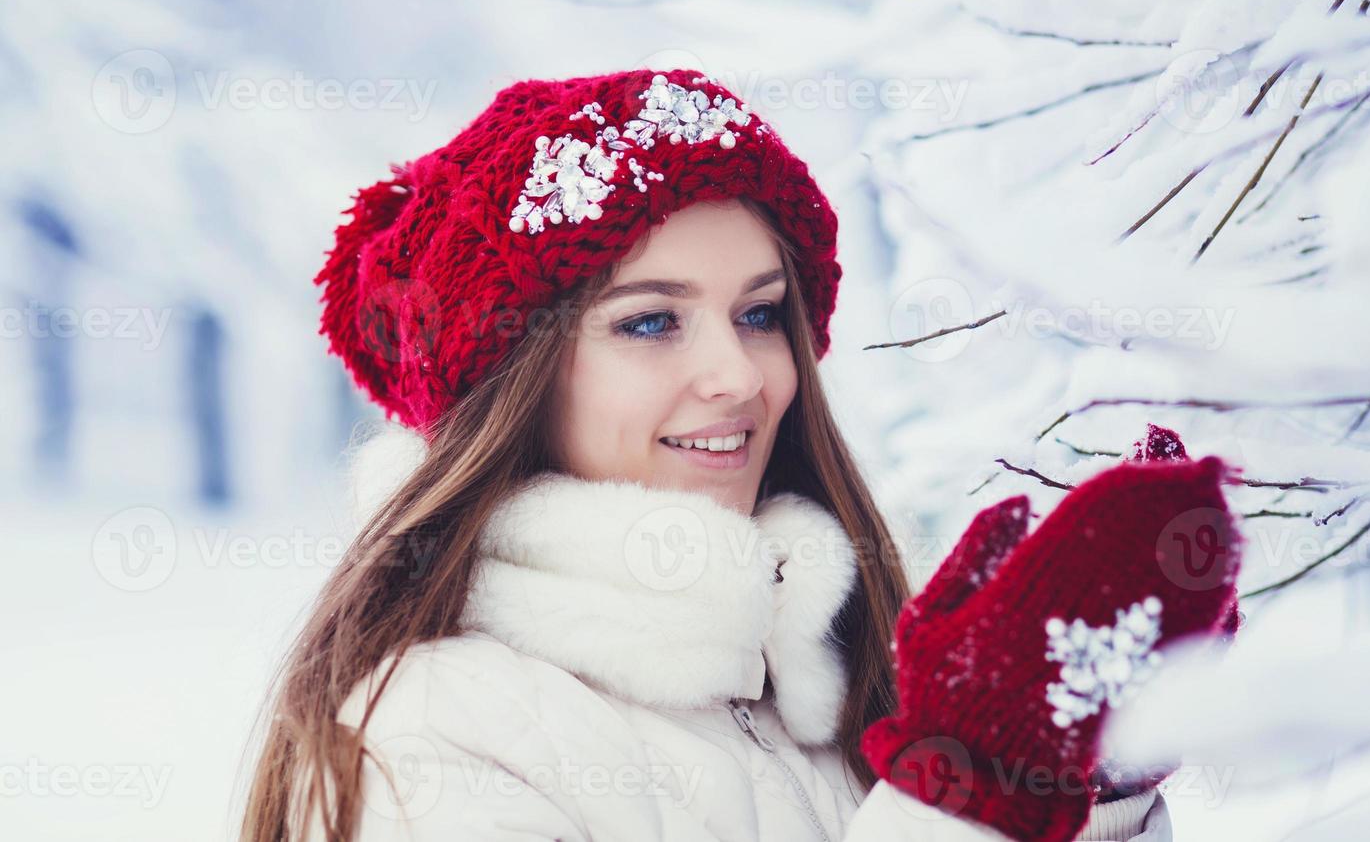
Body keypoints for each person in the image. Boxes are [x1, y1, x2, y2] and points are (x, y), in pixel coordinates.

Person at [239, 69, 1242, 841]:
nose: (741, 373)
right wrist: (969, 794)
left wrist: (1086, 781)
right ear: (512, 374)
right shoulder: (436, 733)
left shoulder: (832, 671)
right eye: (649, 322)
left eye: (760, 312)